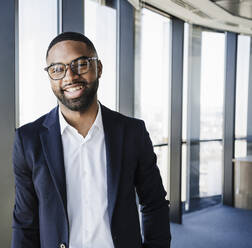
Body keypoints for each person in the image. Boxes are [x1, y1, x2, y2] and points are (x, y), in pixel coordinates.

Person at [11, 32, 171, 248]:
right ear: (50, 77)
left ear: (99, 68)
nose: (69, 76)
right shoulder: (28, 140)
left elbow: (154, 203)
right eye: (57, 69)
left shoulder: (133, 132)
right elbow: (24, 222)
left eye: (80, 64)